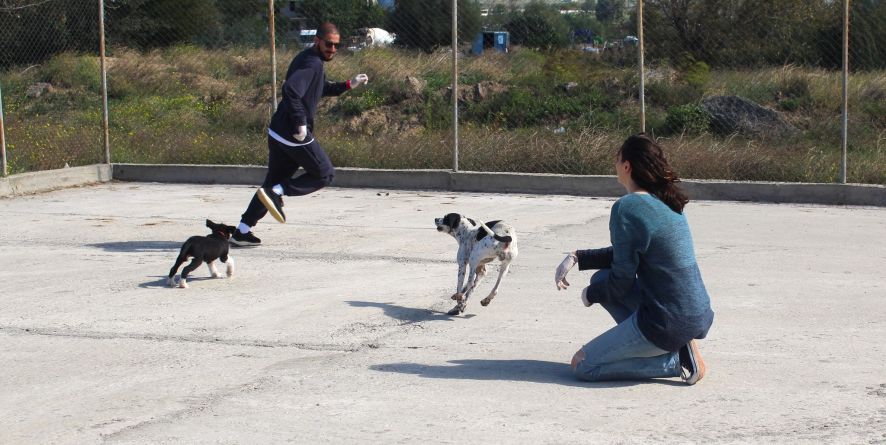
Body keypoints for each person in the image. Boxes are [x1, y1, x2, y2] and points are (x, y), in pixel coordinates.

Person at [554, 133, 714, 385]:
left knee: (583, 365)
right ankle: (682, 346)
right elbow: (627, 254)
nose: (615, 165)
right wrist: (576, 257)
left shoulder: (627, 208)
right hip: (695, 312)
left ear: (627, 166)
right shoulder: (665, 200)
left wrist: (590, 295)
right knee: (601, 276)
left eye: (617, 159)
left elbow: (621, 283)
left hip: (666, 321)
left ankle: (675, 362)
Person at [231, 22, 369, 247]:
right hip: (292, 133)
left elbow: (321, 88)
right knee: (324, 173)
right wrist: (300, 123)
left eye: (336, 46)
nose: (332, 49)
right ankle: (278, 191)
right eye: (328, 44)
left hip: (278, 131)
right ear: (317, 41)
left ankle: (242, 231)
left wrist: (349, 84)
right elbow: (291, 91)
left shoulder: (309, 59)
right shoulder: (312, 63)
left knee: (270, 184)